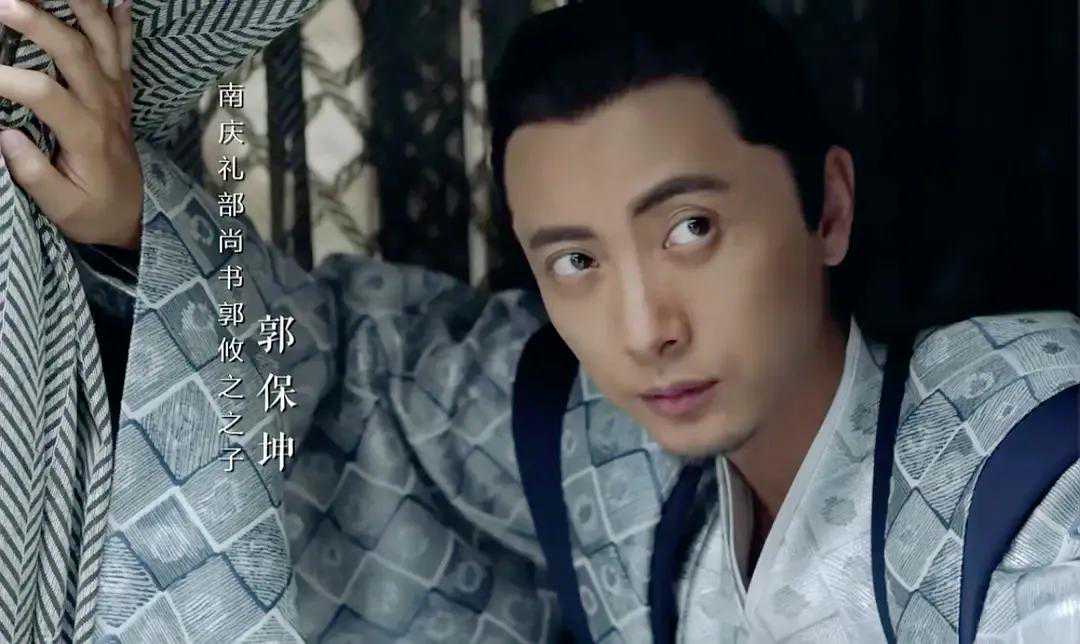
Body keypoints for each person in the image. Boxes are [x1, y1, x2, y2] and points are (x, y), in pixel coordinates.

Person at [2, 1, 1077, 642]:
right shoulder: (605, 448)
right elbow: (354, 368)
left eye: (692, 228)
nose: (643, 327)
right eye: (575, 260)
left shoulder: (1027, 451)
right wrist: (137, 222)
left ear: (827, 207)